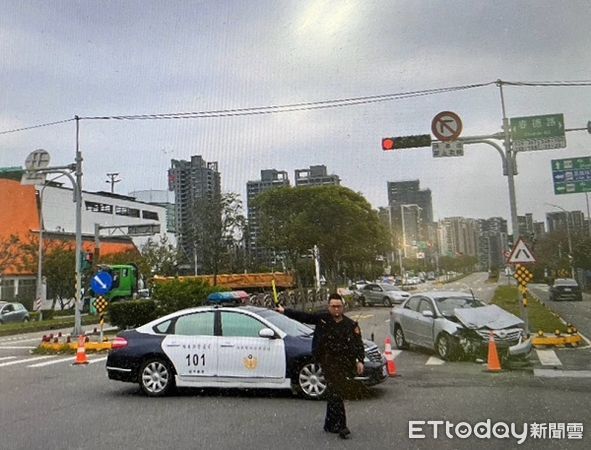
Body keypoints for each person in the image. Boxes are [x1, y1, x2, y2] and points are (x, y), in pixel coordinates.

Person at [275, 293, 364, 439]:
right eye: (333, 306)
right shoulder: (322, 319)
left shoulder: (350, 324)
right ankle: (342, 426)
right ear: (329, 307)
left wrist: (360, 360)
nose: (336, 309)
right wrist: (285, 311)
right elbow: (303, 317)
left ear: (343, 307)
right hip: (327, 361)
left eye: (339, 306)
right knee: (338, 390)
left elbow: (358, 344)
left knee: (334, 391)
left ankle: (329, 424)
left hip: (343, 362)